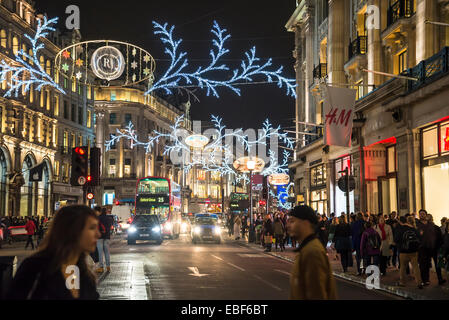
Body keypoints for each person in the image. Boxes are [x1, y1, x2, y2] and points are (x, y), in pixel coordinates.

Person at [7, 205, 101, 300]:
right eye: (92, 228)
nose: (98, 234)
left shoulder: (84, 273)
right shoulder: (36, 267)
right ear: (73, 230)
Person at [287, 205, 337, 300]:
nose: (288, 225)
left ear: (305, 223)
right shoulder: (306, 249)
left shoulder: (312, 252)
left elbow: (317, 294)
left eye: (292, 221)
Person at [394, 216, 424, 289]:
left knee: (403, 268)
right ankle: (419, 283)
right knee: (416, 267)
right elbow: (420, 239)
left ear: (407, 221)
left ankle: (402, 282)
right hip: (414, 252)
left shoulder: (402, 229)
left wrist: (400, 245)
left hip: (403, 251)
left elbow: (396, 239)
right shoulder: (414, 229)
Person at [416, 209, 436, 286]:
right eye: (420, 214)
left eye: (423, 214)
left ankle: (427, 279)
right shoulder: (417, 224)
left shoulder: (430, 224)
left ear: (426, 215)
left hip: (430, 247)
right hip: (421, 247)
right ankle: (422, 279)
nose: (422, 215)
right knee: (422, 264)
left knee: (427, 264)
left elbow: (434, 234)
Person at [427, 214, 446, 285]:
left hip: (428, 249)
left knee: (426, 265)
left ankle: (426, 280)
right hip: (434, 249)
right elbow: (441, 239)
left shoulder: (427, 228)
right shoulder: (437, 228)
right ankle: (440, 279)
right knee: (437, 265)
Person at [96, 207, 113, 273]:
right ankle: (108, 266)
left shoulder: (98, 218)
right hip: (107, 237)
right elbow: (110, 227)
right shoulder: (109, 219)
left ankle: (101, 267)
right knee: (106, 252)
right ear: (106, 212)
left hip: (100, 237)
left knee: (100, 252)